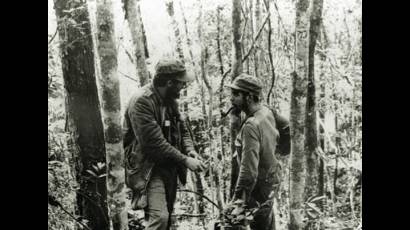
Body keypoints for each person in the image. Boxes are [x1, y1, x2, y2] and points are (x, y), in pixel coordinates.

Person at [123, 58, 205, 230]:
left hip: (168, 165)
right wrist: (185, 160)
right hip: (148, 168)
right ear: (169, 83)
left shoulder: (169, 99)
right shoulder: (142, 102)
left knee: (167, 218)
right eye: (181, 83)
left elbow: (182, 129)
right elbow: (154, 144)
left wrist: (189, 150)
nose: (183, 87)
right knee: (159, 217)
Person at [226, 73, 290, 230]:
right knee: (267, 223)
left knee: (238, 224)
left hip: (259, 188)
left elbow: (249, 172)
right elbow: (288, 128)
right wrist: (277, 153)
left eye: (236, 94)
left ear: (249, 97)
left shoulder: (251, 126)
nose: (231, 98)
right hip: (272, 180)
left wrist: (237, 202)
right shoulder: (267, 111)